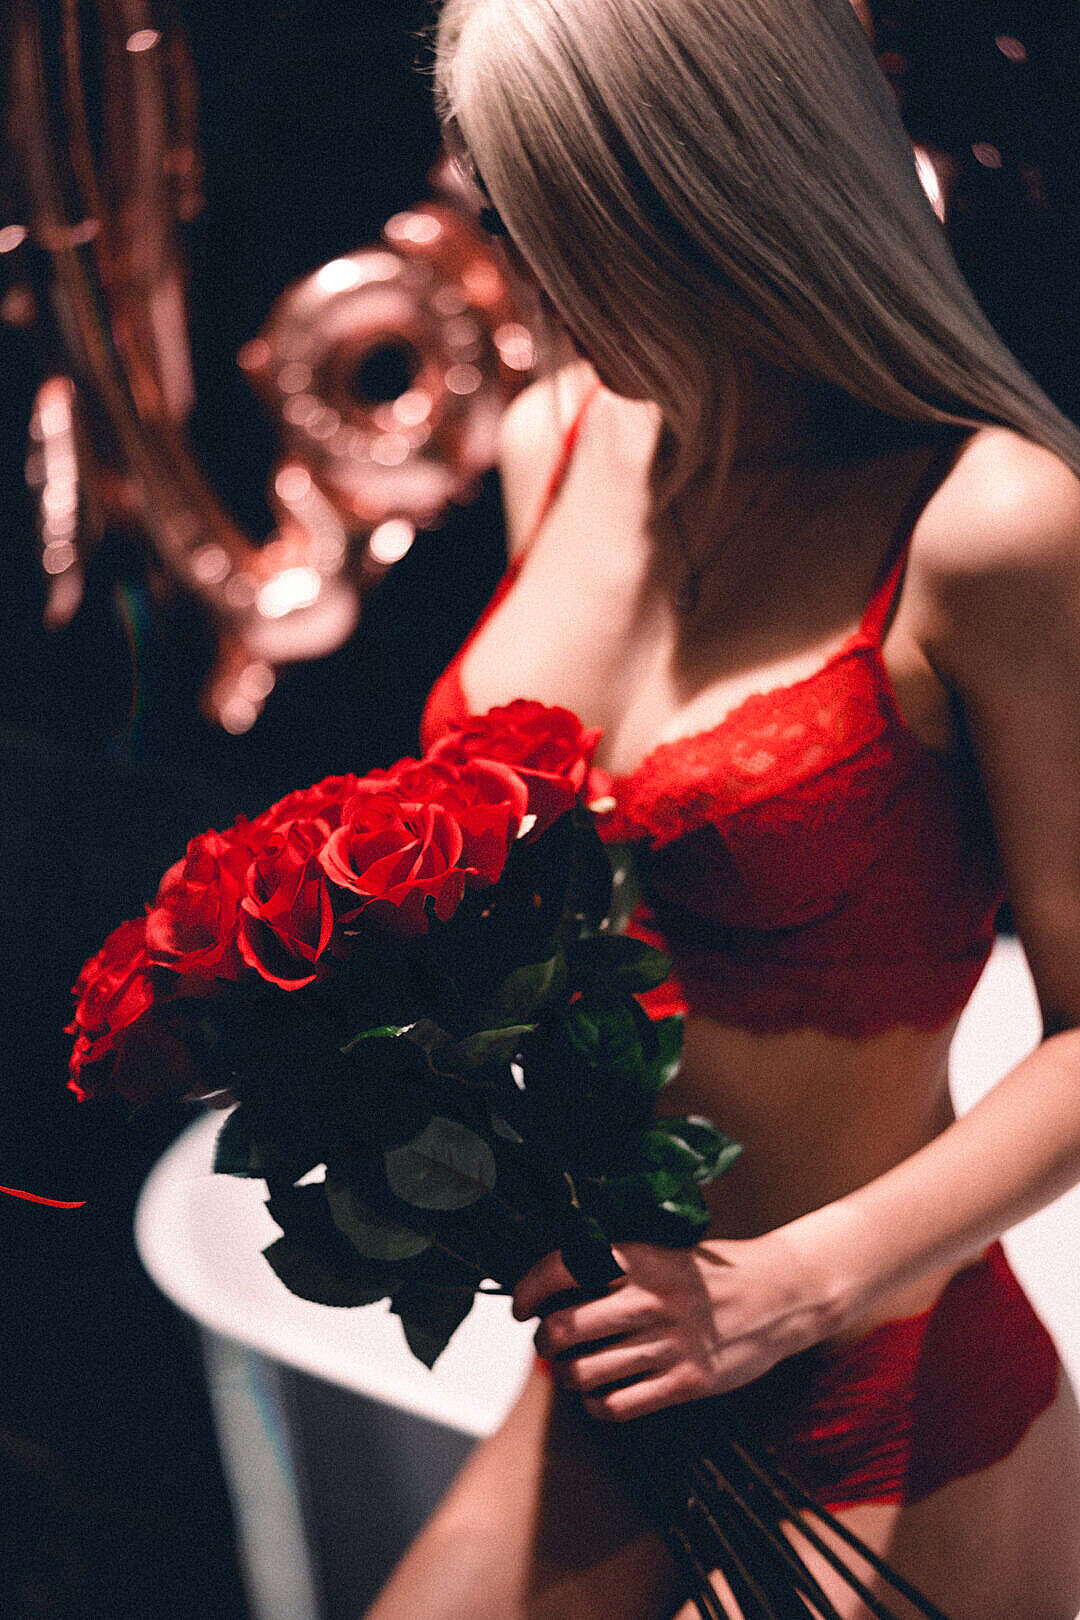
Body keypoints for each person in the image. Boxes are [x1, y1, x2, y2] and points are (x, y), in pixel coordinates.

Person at [367, 1, 1080, 1614]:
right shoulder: (554, 440)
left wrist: (787, 1292)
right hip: (625, 1371)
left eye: (566, 237)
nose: (528, 302)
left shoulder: (992, 526)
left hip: (882, 1380)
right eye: (509, 228)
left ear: (704, 193)